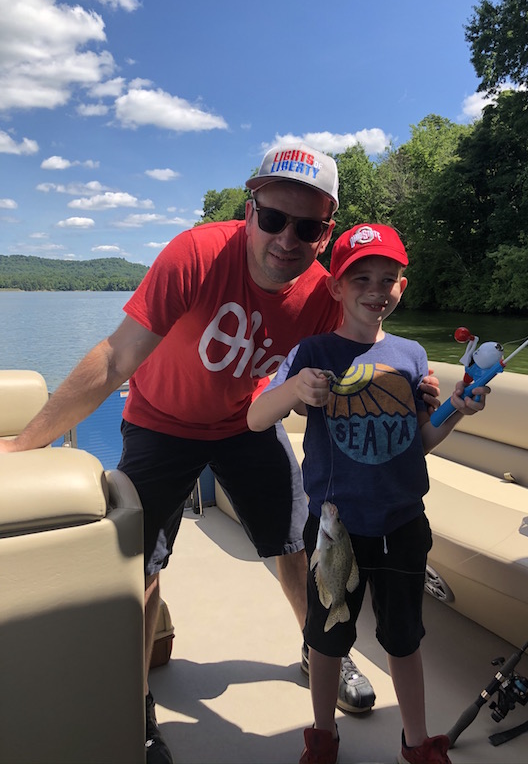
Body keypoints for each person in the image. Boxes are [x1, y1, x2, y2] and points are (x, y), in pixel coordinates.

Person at [0, 144, 442, 764]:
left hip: (245, 426)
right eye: (274, 219)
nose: (288, 239)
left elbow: (368, 345)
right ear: (249, 209)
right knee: (142, 563)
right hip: (161, 423)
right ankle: (136, 706)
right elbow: (117, 357)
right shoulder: (197, 254)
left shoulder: (324, 291)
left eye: (308, 227)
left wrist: (420, 394)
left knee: (297, 540)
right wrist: (22, 445)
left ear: (326, 234)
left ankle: (320, 654)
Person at [247, 223, 491, 764]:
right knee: (328, 638)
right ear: (335, 286)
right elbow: (255, 415)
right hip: (338, 529)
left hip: (403, 522)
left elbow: (418, 442)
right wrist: (293, 389)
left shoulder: (412, 355)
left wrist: (455, 410)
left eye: (389, 279)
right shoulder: (313, 351)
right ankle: (322, 734)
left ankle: (415, 740)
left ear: (403, 286)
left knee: (404, 638)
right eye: (361, 278)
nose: (376, 290)